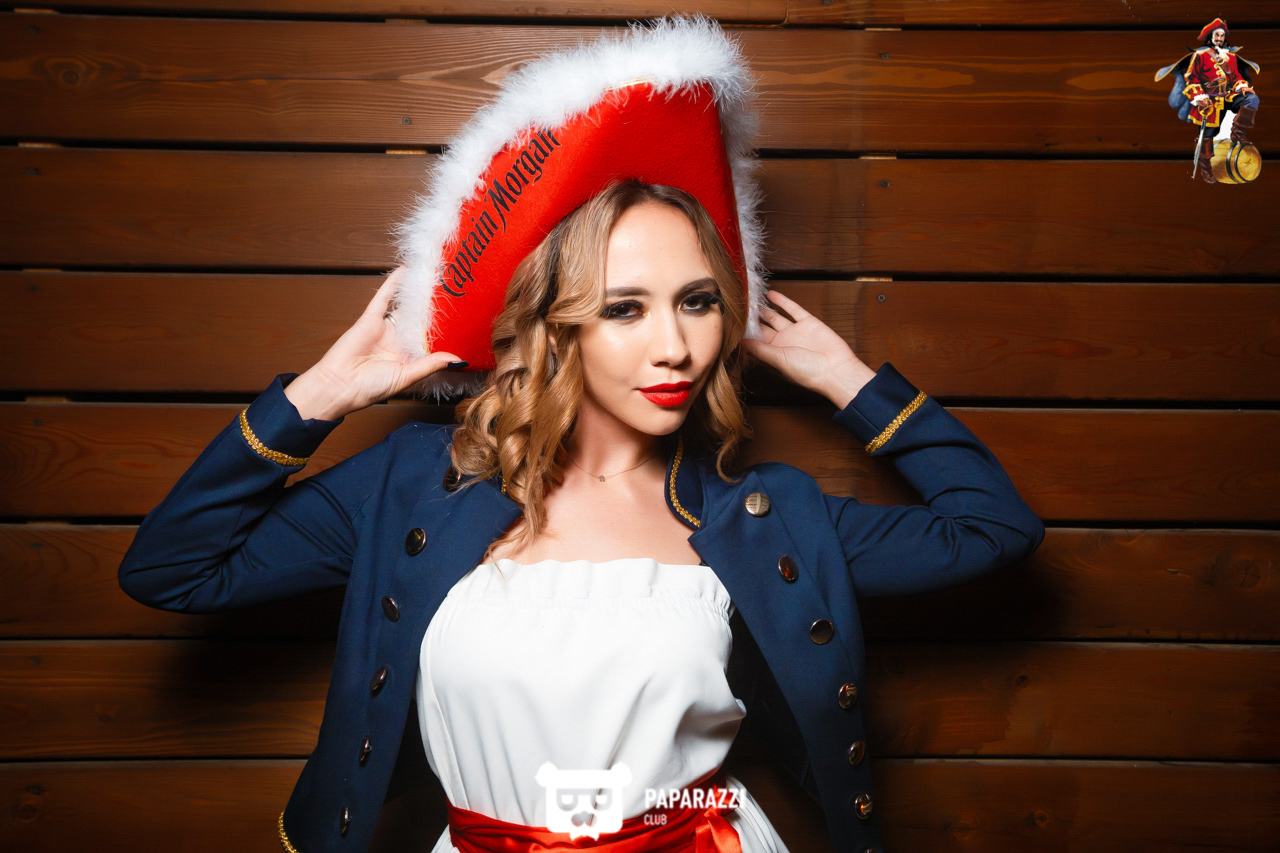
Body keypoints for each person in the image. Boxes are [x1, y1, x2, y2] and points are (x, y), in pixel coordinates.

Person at [118, 18, 1045, 853]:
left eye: (698, 301)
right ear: (555, 325)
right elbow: (173, 570)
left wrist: (847, 379)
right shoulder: (409, 487)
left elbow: (993, 529)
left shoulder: (766, 519)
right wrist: (320, 395)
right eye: (625, 307)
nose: (676, 344)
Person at [1156, 18, 1261, 184]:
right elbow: (1191, 79)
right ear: (1211, 37)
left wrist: (1242, 86)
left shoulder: (1230, 57)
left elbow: (1236, 77)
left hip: (1228, 96)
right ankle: (1206, 167)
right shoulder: (1200, 56)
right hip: (1209, 101)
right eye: (1216, 35)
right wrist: (1200, 96)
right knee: (1206, 137)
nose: (1219, 38)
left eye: (1222, 35)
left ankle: (1238, 132)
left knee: (1251, 99)